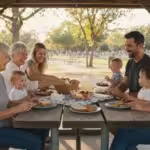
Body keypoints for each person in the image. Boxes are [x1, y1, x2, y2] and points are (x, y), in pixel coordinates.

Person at [0, 42, 43, 150]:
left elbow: (7, 103)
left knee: (43, 128)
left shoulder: (0, 77)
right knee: (36, 143)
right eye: (6, 57)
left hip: (7, 124)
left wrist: (23, 102)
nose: (8, 60)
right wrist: (16, 109)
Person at [108, 31, 150, 98]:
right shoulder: (130, 62)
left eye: (129, 46)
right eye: (125, 45)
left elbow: (147, 93)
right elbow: (124, 83)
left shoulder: (148, 63)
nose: (126, 48)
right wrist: (114, 91)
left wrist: (126, 95)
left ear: (140, 45)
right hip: (130, 103)